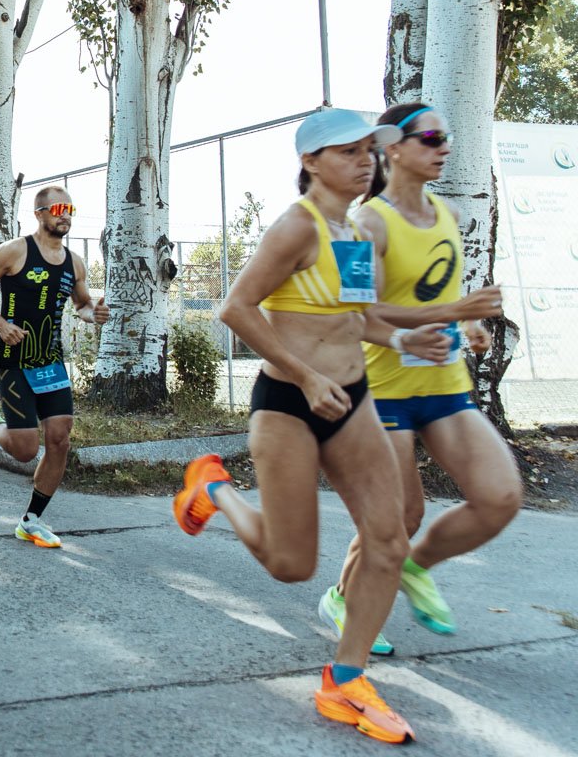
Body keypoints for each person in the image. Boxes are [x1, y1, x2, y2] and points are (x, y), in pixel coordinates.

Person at [170, 109, 451, 744]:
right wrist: (302, 374)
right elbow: (236, 308)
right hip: (289, 402)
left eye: (370, 151)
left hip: (350, 399)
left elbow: (360, 323)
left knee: (388, 538)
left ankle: (345, 679)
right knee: (292, 565)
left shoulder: (352, 231)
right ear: (310, 163)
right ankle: (214, 489)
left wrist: (418, 337)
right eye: (348, 151)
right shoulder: (296, 227)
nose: (366, 161)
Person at [318, 102, 523, 653]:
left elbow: (440, 296)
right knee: (402, 514)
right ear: (394, 149)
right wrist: (456, 311)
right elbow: (358, 318)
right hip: (383, 392)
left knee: (500, 496)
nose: (443, 146)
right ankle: (343, 596)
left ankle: (409, 567)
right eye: (431, 136)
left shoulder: (449, 216)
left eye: (445, 136)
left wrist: (472, 325)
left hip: (444, 384)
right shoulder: (365, 225)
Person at [0, 187, 109, 548]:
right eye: (59, 208)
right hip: (15, 362)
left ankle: (31, 521)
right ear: (40, 213)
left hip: (51, 362)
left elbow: (83, 305)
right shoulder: (14, 251)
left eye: (70, 209)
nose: (65, 215)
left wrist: (95, 315)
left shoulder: (74, 262)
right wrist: (0, 324)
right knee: (26, 450)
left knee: (60, 439)